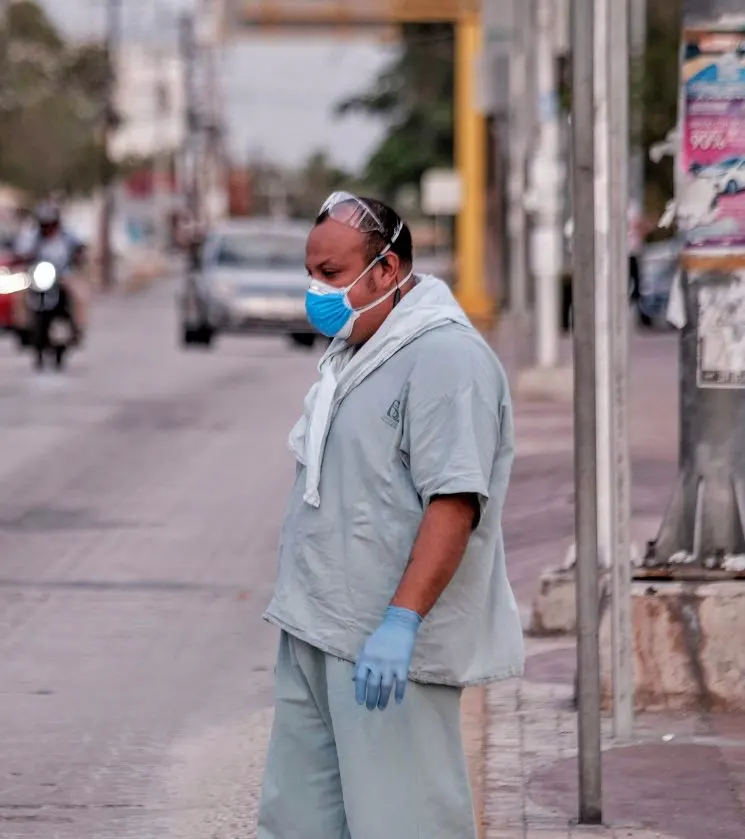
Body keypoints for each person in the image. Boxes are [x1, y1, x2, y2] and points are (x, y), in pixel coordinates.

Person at [257, 191, 524, 839]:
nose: (315, 290)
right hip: (316, 630)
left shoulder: (444, 358)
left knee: (403, 823)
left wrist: (401, 621)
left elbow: (454, 501)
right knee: (297, 822)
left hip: (384, 649)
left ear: (387, 270)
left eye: (332, 274)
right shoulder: (356, 351)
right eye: (310, 273)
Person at [14, 201, 86, 343]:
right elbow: (22, 252)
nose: (48, 228)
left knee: (80, 294)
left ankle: (78, 327)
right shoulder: (33, 237)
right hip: (37, 275)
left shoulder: (67, 236)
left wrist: (79, 257)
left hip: (63, 274)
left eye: (51, 223)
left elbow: (80, 248)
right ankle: (22, 327)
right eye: (45, 224)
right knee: (19, 296)